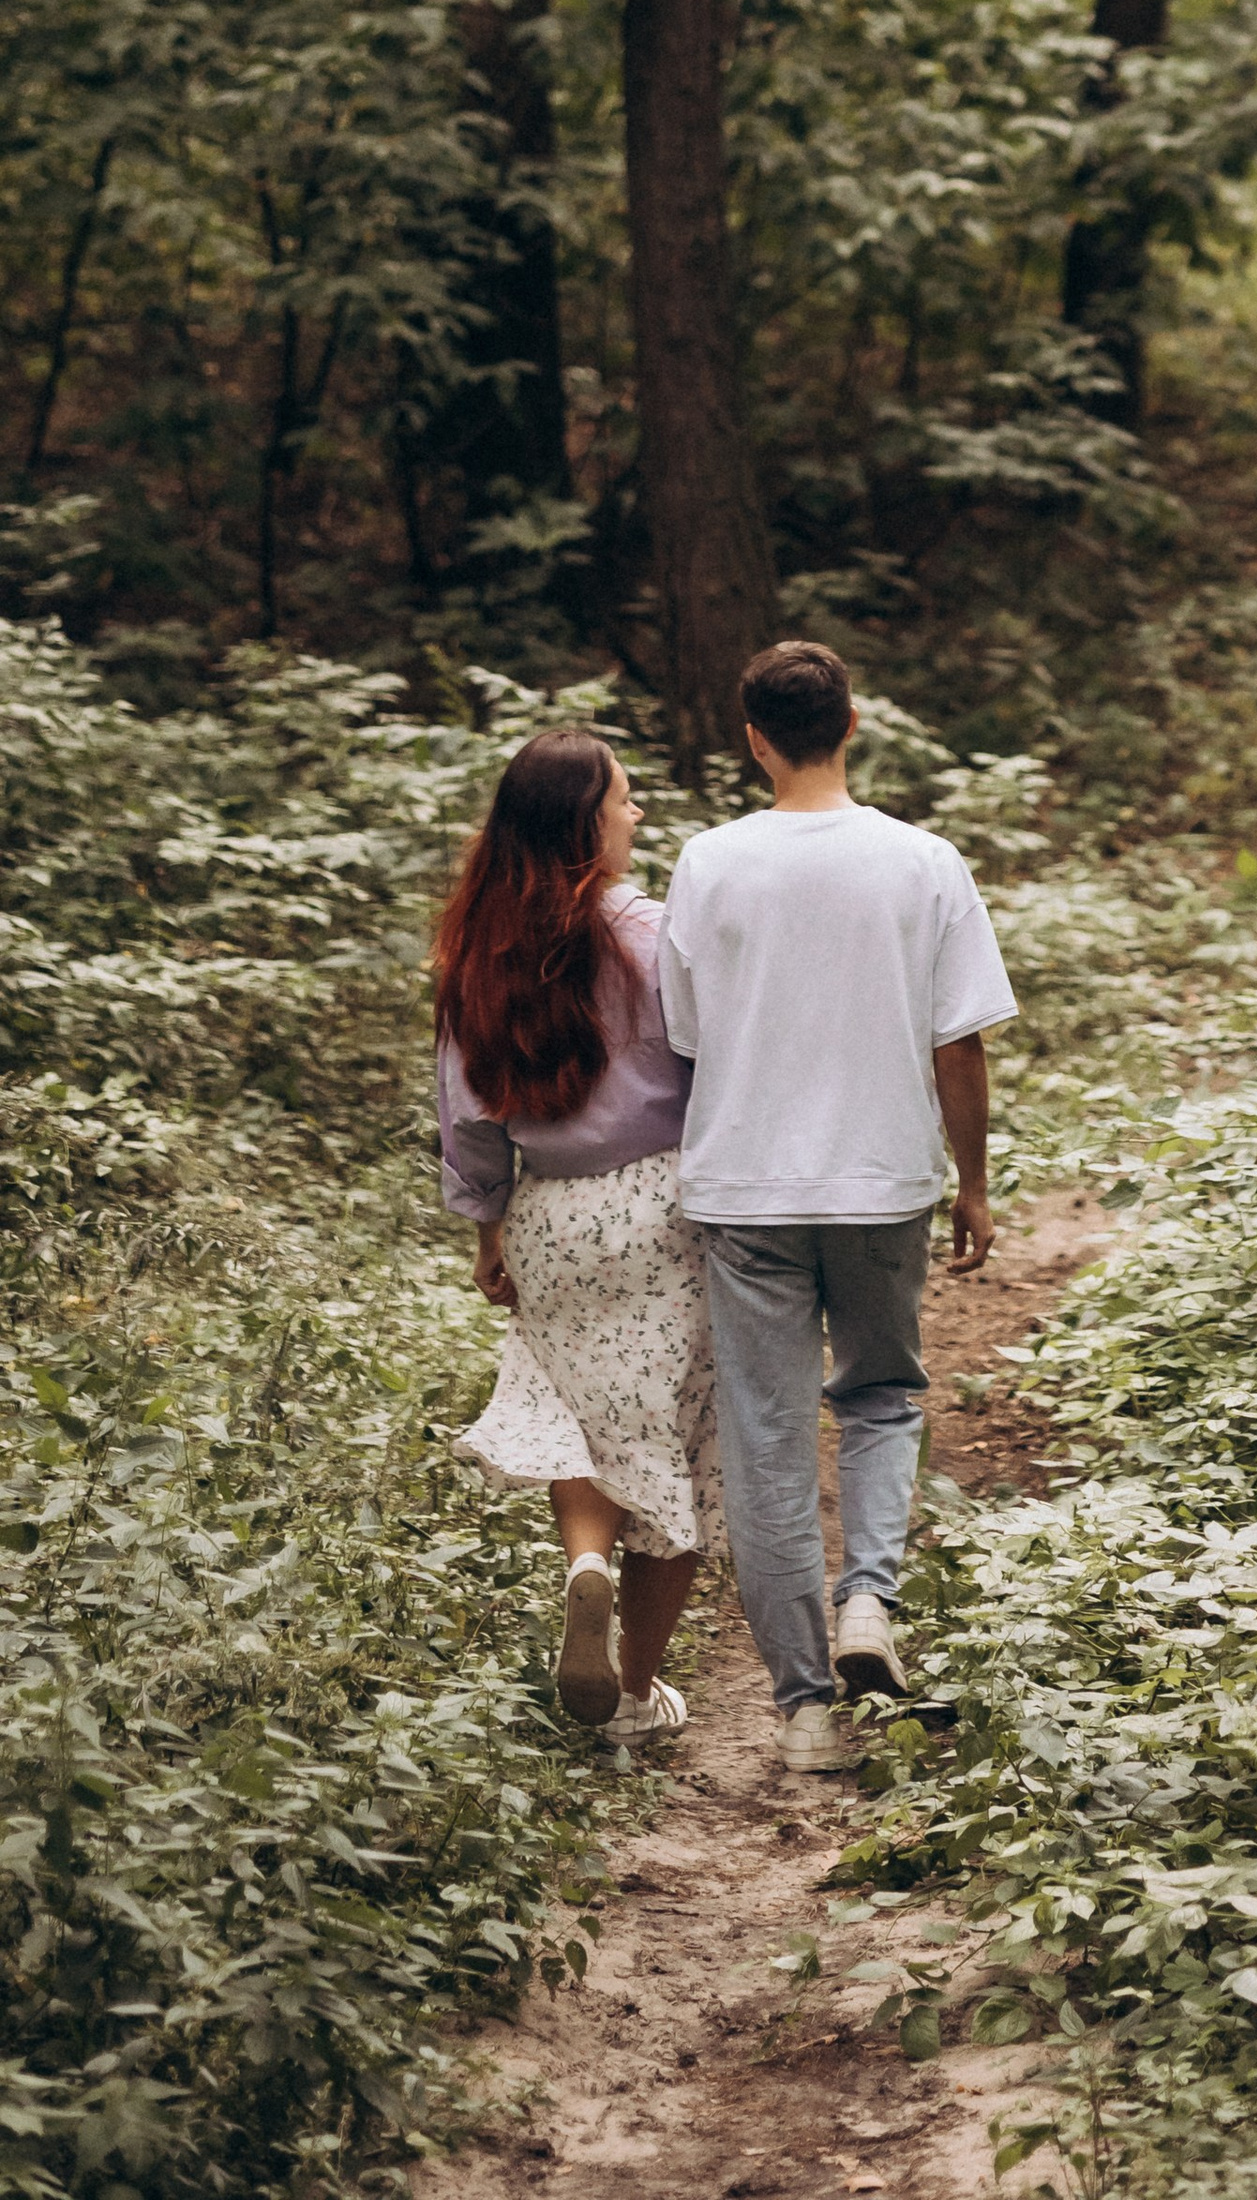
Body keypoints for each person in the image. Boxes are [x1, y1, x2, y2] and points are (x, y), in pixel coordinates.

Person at [659, 637, 1015, 1775]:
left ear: (753, 739)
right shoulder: (923, 862)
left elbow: (686, 1034)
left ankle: (806, 1710)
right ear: (852, 723)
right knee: (881, 1398)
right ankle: (870, 1599)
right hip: (879, 1185)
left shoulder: (708, 863)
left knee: (766, 1441)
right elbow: (957, 1041)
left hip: (745, 1187)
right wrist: (974, 1181)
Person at [435, 728, 719, 1743]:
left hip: (550, 1214)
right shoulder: (657, 935)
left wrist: (487, 1233)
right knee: (674, 1440)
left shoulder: (477, 949)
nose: (635, 817)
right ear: (584, 825)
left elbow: (467, 1117)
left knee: (574, 1413)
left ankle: (585, 1567)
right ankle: (634, 1697)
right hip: (666, 1211)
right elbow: (713, 1066)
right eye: (625, 803)